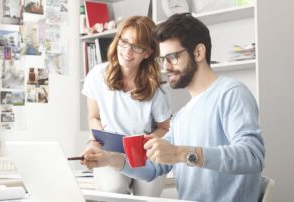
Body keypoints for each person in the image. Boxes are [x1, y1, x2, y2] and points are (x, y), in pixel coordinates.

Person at [81, 13, 265, 202]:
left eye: (173, 57)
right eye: (163, 59)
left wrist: (179, 153)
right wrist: (108, 159)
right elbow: (153, 168)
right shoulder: (181, 117)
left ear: (198, 53)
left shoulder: (231, 93)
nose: (166, 67)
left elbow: (252, 156)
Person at [81, 16, 171, 196]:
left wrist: (147, 141)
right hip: (109, 148)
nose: (128, 51)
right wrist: (99, 136)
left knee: (148, 193)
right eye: (124, 42)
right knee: (113, 189)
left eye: (137, 47)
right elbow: (93, 117)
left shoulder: (156, 85)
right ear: (118, 41)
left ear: (147, 52)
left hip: (144, 152)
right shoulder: (97, 75)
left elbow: (164, 128)